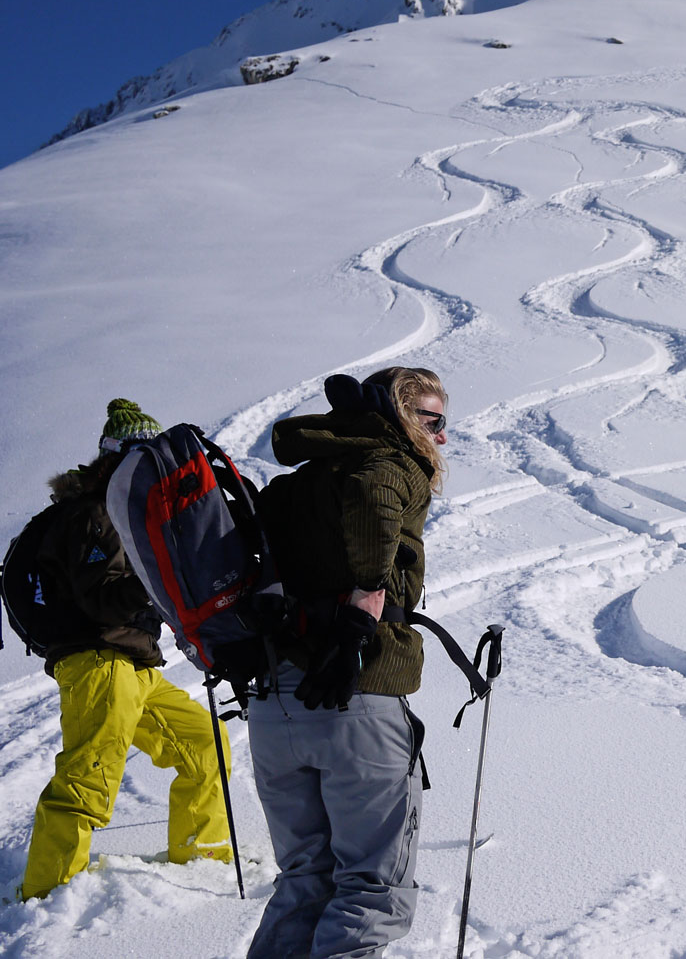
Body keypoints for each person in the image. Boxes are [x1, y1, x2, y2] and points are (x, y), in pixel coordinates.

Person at [245, 366, 448, 959]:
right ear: (403, 416)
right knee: (372, 890)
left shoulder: (298, 481)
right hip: (350, 696)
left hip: (275, 701)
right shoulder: (389, 464)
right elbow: (376, 495)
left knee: (305, 881)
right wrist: (365, 602)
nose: (441, 437)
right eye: (432, 421)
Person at [20, 399, 232, 900]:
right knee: (88, 774)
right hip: (98, 660)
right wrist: (161, 573)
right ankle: (47, 892)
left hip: (132, 664)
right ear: (116, 455)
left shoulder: (122, 512)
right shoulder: (96, 514)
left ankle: (201, 860)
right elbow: (103, 601)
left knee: (205, 745)